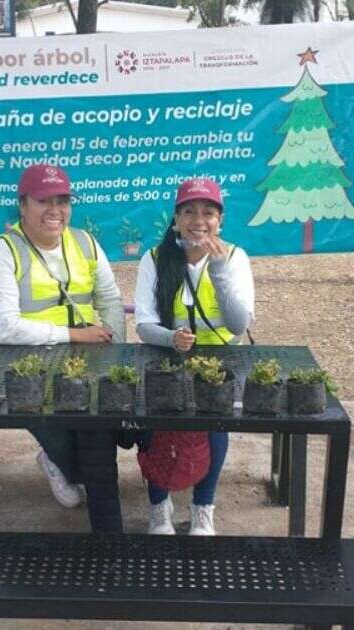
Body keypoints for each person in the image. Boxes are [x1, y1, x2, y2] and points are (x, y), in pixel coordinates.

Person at [0, 163, 125, 514]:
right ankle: (58, 461)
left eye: (63, 201)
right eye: (44, 201)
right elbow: (8, 328)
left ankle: (72, 467)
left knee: (100, 439)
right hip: (18, 365)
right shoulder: (0, 252)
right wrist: (75, 335)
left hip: (82, 358)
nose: (55, 211)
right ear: (23, 206)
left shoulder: (85, 243)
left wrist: (116, 356)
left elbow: (110, 299)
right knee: (78, 458)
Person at [133, 177, 255, 536]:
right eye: (188, 211)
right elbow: (143, 324)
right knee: (157, 423)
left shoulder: (234, 257)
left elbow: (238, 323)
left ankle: (203, 506)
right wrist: (171, 338)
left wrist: (217, 272)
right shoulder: (154, 259)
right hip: (164, 357)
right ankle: (159, 504)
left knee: (213, 422)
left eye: (208, 212)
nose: (198, 220)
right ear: (175, 219)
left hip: (220, 361)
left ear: (221, 220)